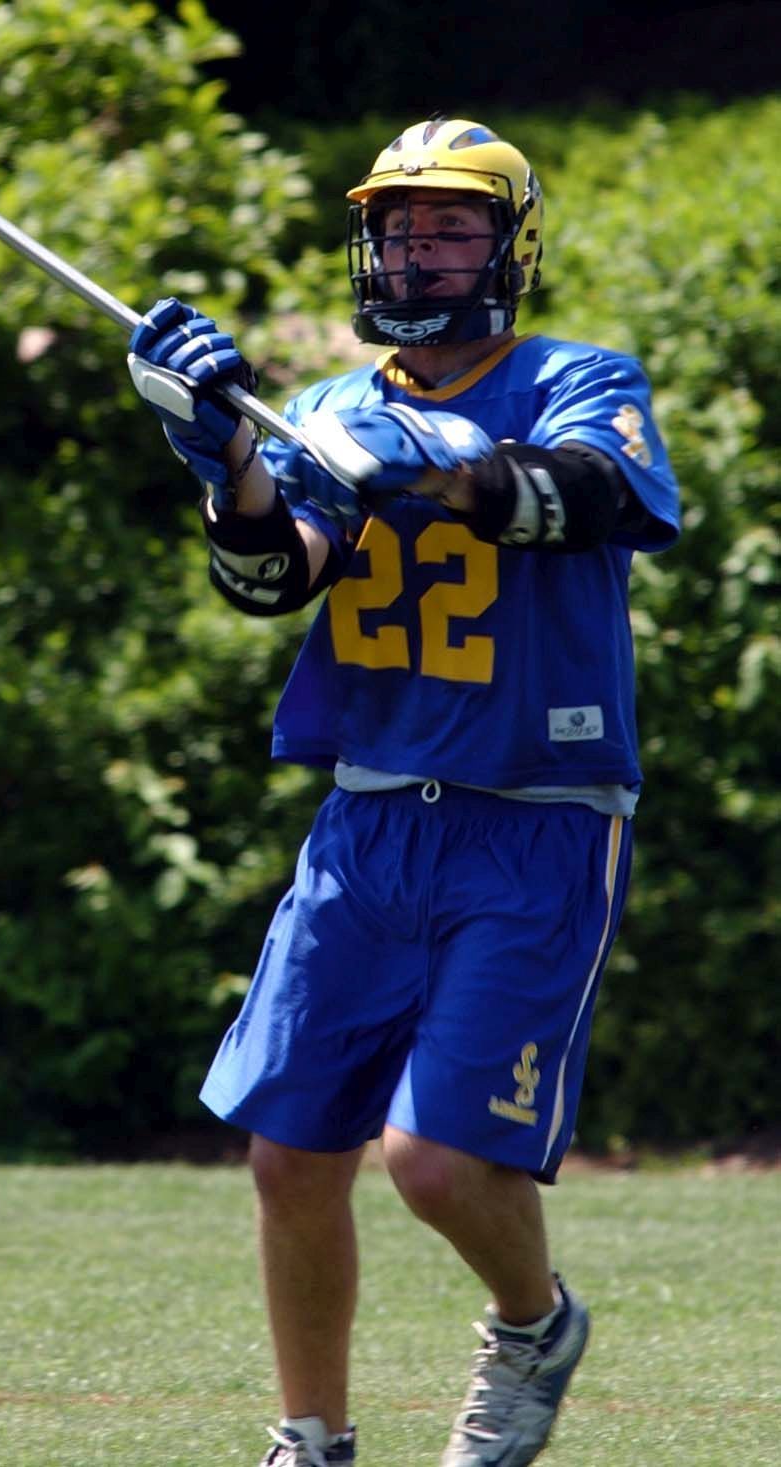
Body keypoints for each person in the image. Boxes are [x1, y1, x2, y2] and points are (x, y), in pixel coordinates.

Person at [127, 117, 680, 1467]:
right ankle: (311, 1439)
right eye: (397, 227)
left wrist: (442, 462)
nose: (417, 251)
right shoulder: (327, 408)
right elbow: (275, 578)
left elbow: (600, 496)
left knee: (430, 1162)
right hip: (369, 816)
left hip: (534, 818)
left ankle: (532, 1326)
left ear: (509, 246)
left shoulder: (574, 377)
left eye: (450, 226)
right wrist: (227, 463)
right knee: (288, 1152)